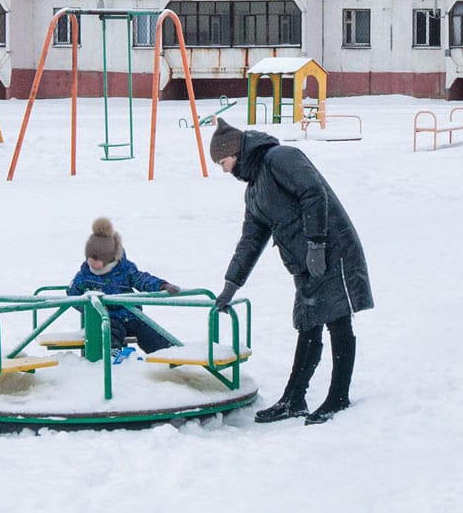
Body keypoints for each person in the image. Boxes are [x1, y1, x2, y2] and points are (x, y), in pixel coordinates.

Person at [209, 118, 373, 425]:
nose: (224, 169)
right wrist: (232, 283)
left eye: (223, 162)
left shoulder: (280, 158)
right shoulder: (254, 189)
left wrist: (316, 243)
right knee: (308, 323)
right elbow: (251, 239)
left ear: (235, 151)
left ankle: (338, 396)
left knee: (337, 320)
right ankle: (294, 398)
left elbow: (313, 193)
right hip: (304, 261)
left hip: (331, 249)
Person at [66, 216, 181, 353]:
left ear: (109, 258)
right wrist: (92, 310)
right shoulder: (85, 274)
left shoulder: (124, 269)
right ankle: (111, 354)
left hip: (131, 314)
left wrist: (163, 285)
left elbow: (142, 279)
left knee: (148, 331)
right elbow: (73, 294)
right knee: (110, 331)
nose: (91, 263)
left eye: (96, 259)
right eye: (89, 258)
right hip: (107, 318)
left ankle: (167, 353)